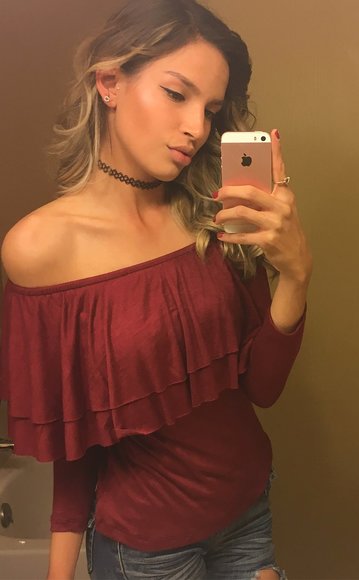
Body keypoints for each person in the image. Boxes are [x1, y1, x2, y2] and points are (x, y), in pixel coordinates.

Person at [0, 0, 311, 578]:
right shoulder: (41, 248)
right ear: (110, 83)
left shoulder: (214, 216)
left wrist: (295, 274)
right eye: (176, 94)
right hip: (148, 550)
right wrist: (60, 573)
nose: (197, 127)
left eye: (211, 109)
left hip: (248, 513)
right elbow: (75, 434)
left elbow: (261, 389)